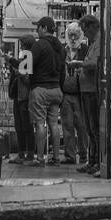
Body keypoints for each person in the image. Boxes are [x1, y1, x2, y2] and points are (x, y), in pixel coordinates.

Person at [29, 16, 65, 165]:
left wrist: (13, 62)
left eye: (38, 27)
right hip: (56, 90)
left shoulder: (39, 45)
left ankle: (39, 158)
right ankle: (56, 158)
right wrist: (60, 88)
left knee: (40, 124)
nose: (37, 30)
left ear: (44, 28)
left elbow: (28, 66)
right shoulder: (60, 47)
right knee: (54, 124)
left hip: (41, 90)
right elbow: (63, 71)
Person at [76, 13, 102, 174]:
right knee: (89, 128)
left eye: (85, 30)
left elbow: (95, 63)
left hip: (93, 90)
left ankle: (97, 162)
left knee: (94, 128)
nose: (84, 34)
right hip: (87, 90)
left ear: (93, 27)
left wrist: (80, 64)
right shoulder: (93, 42)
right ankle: (92, 161)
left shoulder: (99, 42)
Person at [60, 21, 87, 165]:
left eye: (75, 35)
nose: (73, 38)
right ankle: (70, 156)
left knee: (82, 126)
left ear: (80, 35)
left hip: (80, 94)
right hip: (65, 94)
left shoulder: (86, 50)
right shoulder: (63, 50)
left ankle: (84, 155)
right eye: (70, 35)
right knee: (67, 126)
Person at [7, 36, 35, 164]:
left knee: (26, 126)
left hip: (25, 97)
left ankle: (28, 154)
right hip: (19, 96)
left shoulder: (30, 59)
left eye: (23, 45)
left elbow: (29, 80)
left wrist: (19, 72)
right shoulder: (23, 59)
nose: (22, 47)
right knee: (19, 126)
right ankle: (21, 153)